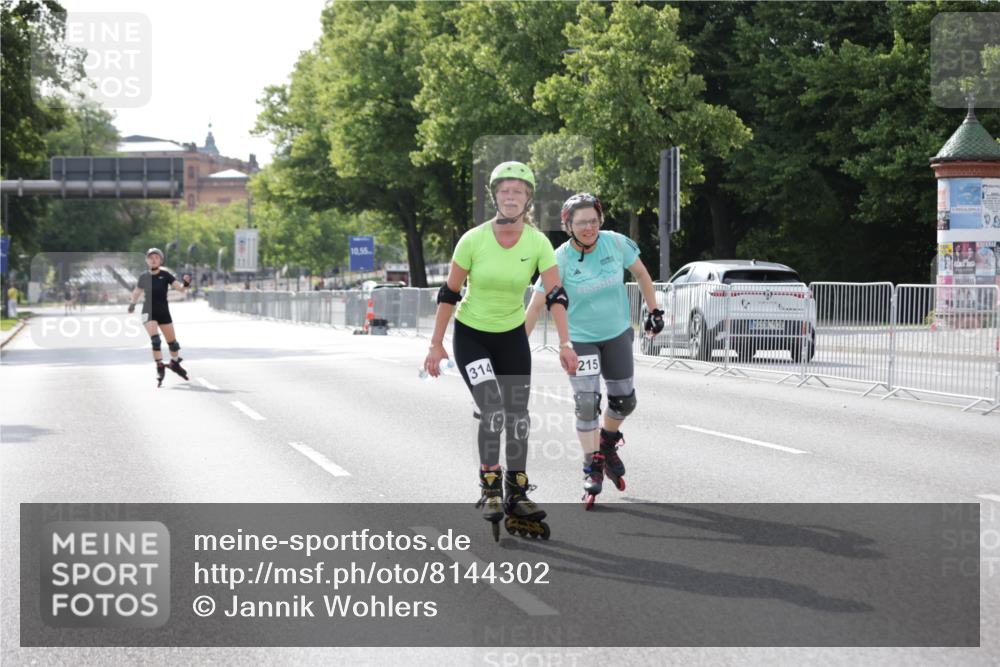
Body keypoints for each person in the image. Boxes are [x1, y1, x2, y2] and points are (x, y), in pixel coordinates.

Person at [423, 161, 577, 540]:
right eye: (505, 191)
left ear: (528, 199)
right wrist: (435, 343)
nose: (512, 197)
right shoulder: (473, 239)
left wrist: (565, 342)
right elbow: (449, 293)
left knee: (518, 416)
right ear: (495, 197)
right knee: (492, 408)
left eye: (519, 192)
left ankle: (518, 492)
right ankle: (490, 486)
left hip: (510, 338)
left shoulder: (538, 243)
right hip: (472, 336)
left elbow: (555, 294)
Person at [525, 193, 663, 509]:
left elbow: (641, 274)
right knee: (587, 403)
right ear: (568, 225)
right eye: (581, 222)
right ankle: (592, 465)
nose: (589, 227)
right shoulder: (558, 259)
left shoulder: (615, 244)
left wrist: (654, 310)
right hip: (580, 339)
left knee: (625, 401)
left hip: (616, 334)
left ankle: (608, 441)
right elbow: (535, 306)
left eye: (594, 221)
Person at [128, 248, 193, 387]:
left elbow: (181, 288)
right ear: (147, 260)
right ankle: (159, 367)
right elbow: (137, 291)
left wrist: (186, 283)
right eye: (151, 257)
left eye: (156, 257)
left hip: (163, 311)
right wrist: (132, 304)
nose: (153, 259)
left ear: (161, 260)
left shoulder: (166, 275)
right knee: (156, 340)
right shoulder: (143, 276)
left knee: (173, 344)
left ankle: (174, 363)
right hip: (148, 311)